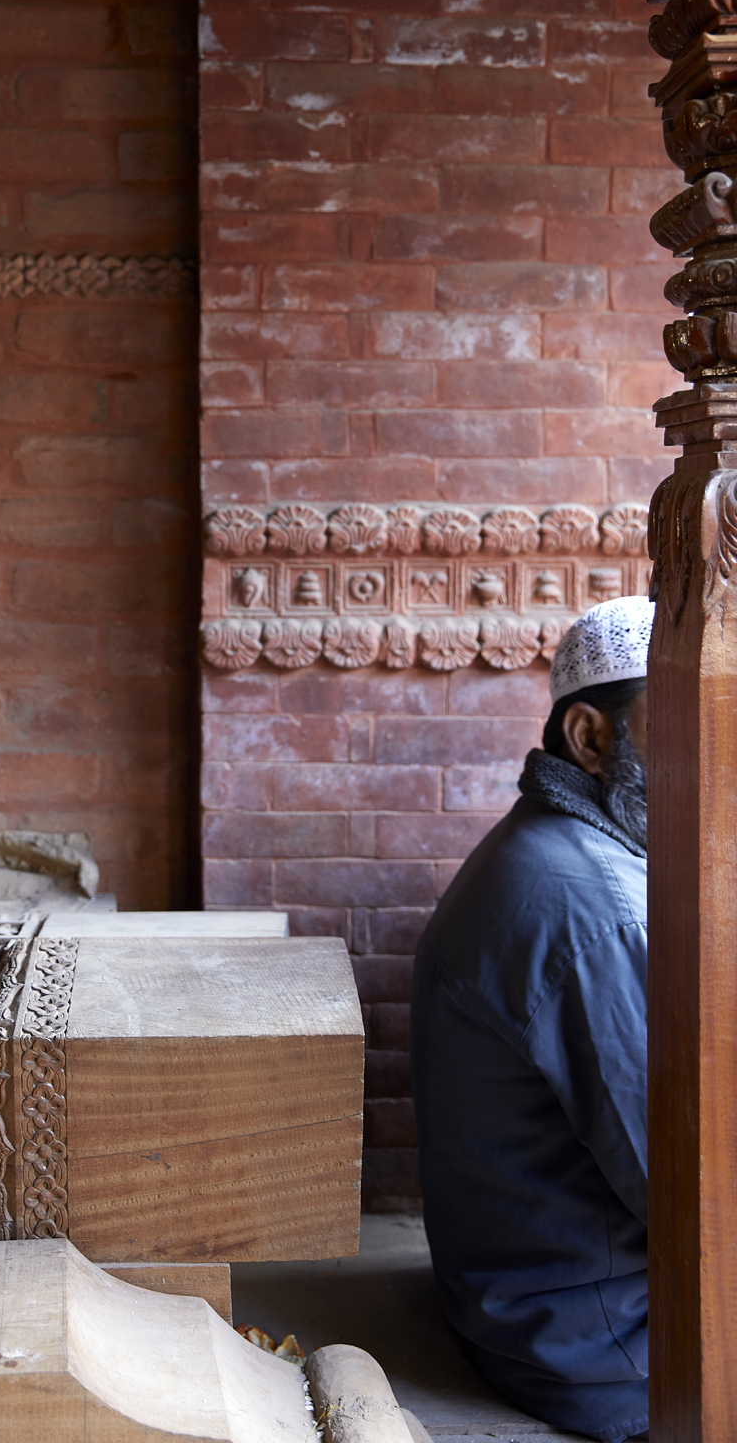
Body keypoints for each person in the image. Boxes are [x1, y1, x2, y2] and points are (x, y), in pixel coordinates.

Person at [411, 597, 653, 1443]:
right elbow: (692, 1198)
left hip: (533, 1299)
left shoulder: (562, 849)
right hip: (606, 1338)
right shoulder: (597, 913)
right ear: (591, 739)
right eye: (695, 728)